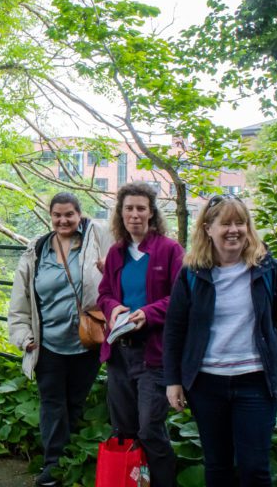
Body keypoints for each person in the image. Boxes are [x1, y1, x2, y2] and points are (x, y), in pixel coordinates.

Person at [164, 195, 277, 486]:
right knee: (217, 465)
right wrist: (173, 380)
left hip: (255, 381)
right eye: (225, 223)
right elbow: (175, 329)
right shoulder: (192, 273)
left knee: (254, 467)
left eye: (240, 222)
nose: (234, 230)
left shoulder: (265, 267)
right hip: (207, 384)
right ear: (208, 228)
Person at [8, 193, 112, 487]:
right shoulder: (37, 250)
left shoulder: (96, 240)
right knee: (52, 402)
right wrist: (23, 337)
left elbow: (119, 271)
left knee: (75, 401)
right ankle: (53, 464)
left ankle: (72, 458)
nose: (63, 220)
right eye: (57, 215)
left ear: (80, 214)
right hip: (47, 342)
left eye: (69, 215)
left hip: (87, 340)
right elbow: (20, 300)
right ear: (50, 216)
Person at [97, 182, 184, 487]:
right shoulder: (117, 252)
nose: (134, 214)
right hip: (120, 353)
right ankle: (133, 482)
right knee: (125, 430)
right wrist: (113, 309)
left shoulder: (170, 250)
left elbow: (181, 297)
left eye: (140, 208)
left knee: (149, 430)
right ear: (120, 214)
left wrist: (148, 313)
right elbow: (104, 292)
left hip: (154, 354)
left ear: (151, 212)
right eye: (128, 208)